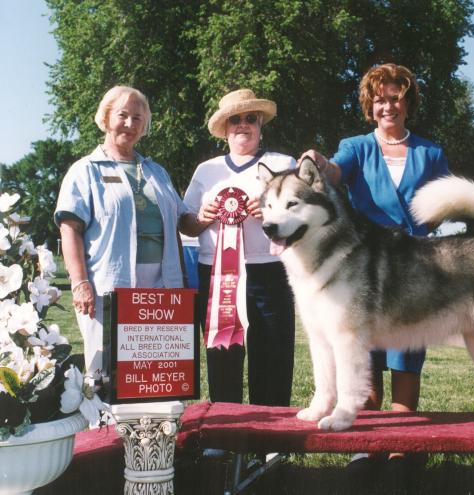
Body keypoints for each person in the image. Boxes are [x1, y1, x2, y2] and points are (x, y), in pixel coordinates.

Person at [300, 63, 449, 479]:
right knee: (362, 351)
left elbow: (442, 204)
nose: (388, 106)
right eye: (379, 99)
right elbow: (332, 172)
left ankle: (400, 446)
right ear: (370, 106)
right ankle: (366, 445)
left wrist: (421, 229)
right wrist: (316, 159)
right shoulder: (356, 146)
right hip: (364, 261)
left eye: (395, 97)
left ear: (408, 102)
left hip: (414, 263)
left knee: (406, 356)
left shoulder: (431, 153)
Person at [55, 86, 190, 391]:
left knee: (154, 377)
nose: (130, 124)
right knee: (106, 378)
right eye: (123, 115)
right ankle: (107, 438)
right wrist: (80, 283)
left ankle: (152, 438)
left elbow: (184, 219)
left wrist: (210, 214)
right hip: (109, 288)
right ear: (105, 118)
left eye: (138, 118)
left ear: (145, 126)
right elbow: (69, 229)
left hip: (162, 288)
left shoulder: (158, 172)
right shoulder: (84, 171)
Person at [180, 89, 296, 406]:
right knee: (223, 355)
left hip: (270, 273)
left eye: (250, 119)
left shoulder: (283, 164)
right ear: (225, 128)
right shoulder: (206, 170)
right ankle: (223, 438)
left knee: (273, 355)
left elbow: (303, 217)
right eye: (236, 119)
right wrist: (200, 218)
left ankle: (269, 445)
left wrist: (275, 214)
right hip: (217, 276)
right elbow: (184, 222)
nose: (243, 125)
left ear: (260, 125)